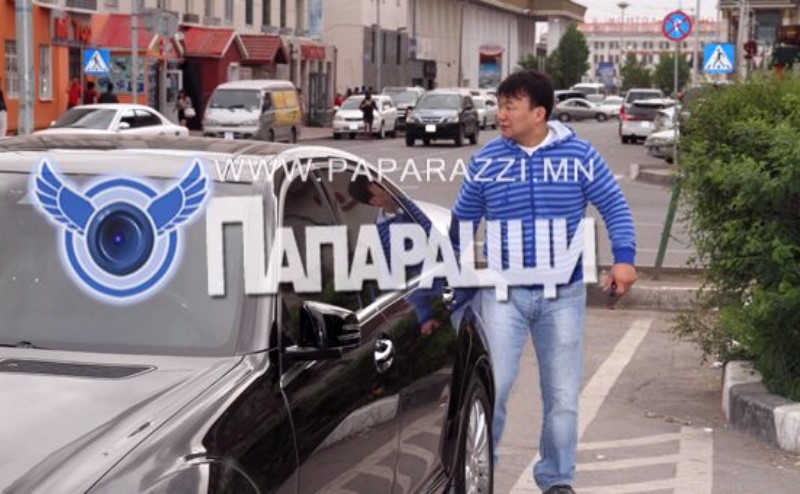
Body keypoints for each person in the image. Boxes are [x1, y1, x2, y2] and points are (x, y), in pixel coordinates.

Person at [449, 70, 637, 494]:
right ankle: (479, 475)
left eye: (509, 106)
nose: (500, 114)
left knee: (563, 397)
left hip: (562, 296)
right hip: (503, 295)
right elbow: (462, 224)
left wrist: (624, 260)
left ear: (538, 113)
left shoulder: (580, 155)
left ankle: (556, 479)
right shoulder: (487, 161)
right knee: (493, 388)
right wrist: (453, 282)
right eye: (498, 105)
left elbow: (615, 206)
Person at [348, 175, 441, 336]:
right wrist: (425, 315)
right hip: (439, 296)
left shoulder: (412, 202)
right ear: (375, 201)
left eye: (379, 181)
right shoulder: (382, 235)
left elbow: (439, 236)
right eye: (377, 186)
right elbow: (400, 281)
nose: (383, 185)